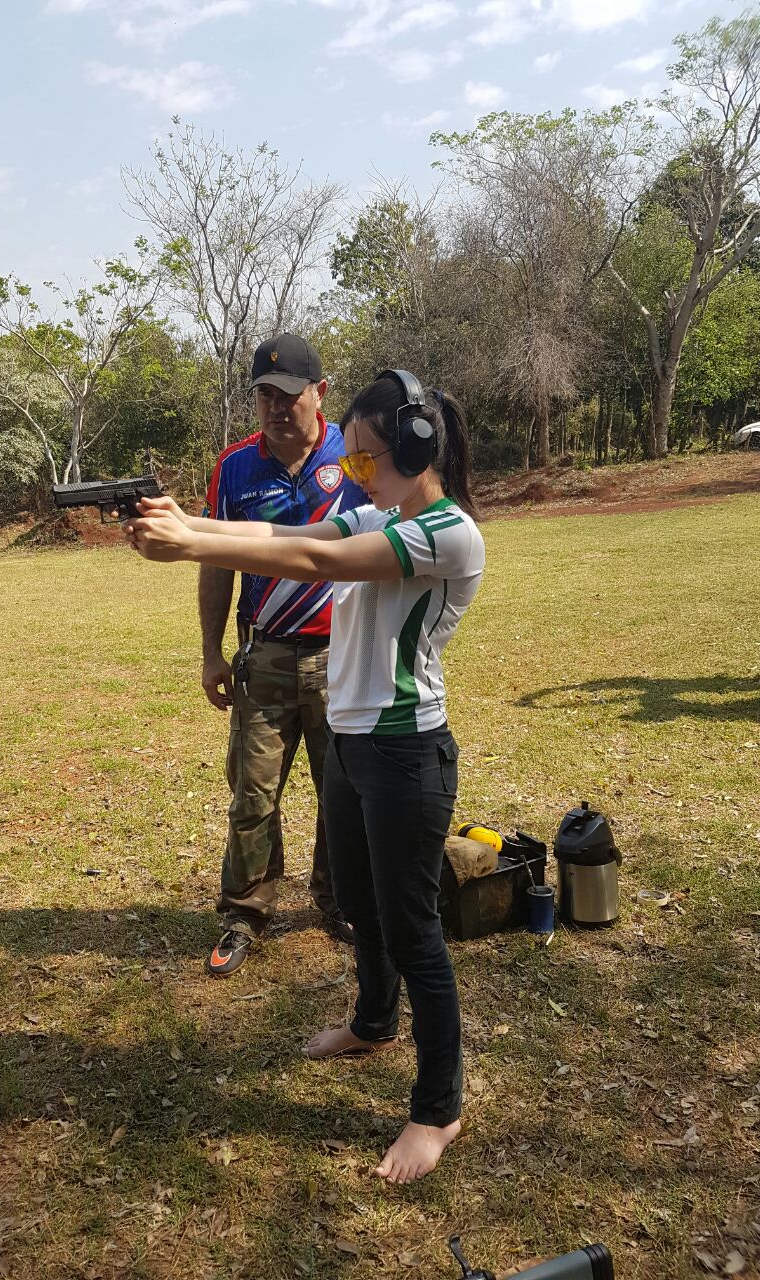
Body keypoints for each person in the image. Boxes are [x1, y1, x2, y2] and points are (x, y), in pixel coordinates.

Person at [124, 368, 484, 1184]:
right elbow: (284, 538)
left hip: (405, 753)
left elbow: (318, 561)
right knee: (359, 905)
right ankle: (372, 1022)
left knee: (413, 930)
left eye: (364, 459)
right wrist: (195, 524)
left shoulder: (447, 533)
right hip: (359, 747)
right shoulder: (380, 509)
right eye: (348, 461)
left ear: (417, 449)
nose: (351, 474)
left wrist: (192, 541)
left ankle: (438, 1109)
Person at [197, 334, 369, 977]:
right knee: (252, 795)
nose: (275, 407)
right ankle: (244, 912)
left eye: (288, 395)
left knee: (343, 792)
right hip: (264, 659)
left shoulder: (354, 459)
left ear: (319, 394)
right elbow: (216, 561)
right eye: (264, 394)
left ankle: (342, 900)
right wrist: (212, 653)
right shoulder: (233, 467)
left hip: (342, 657)